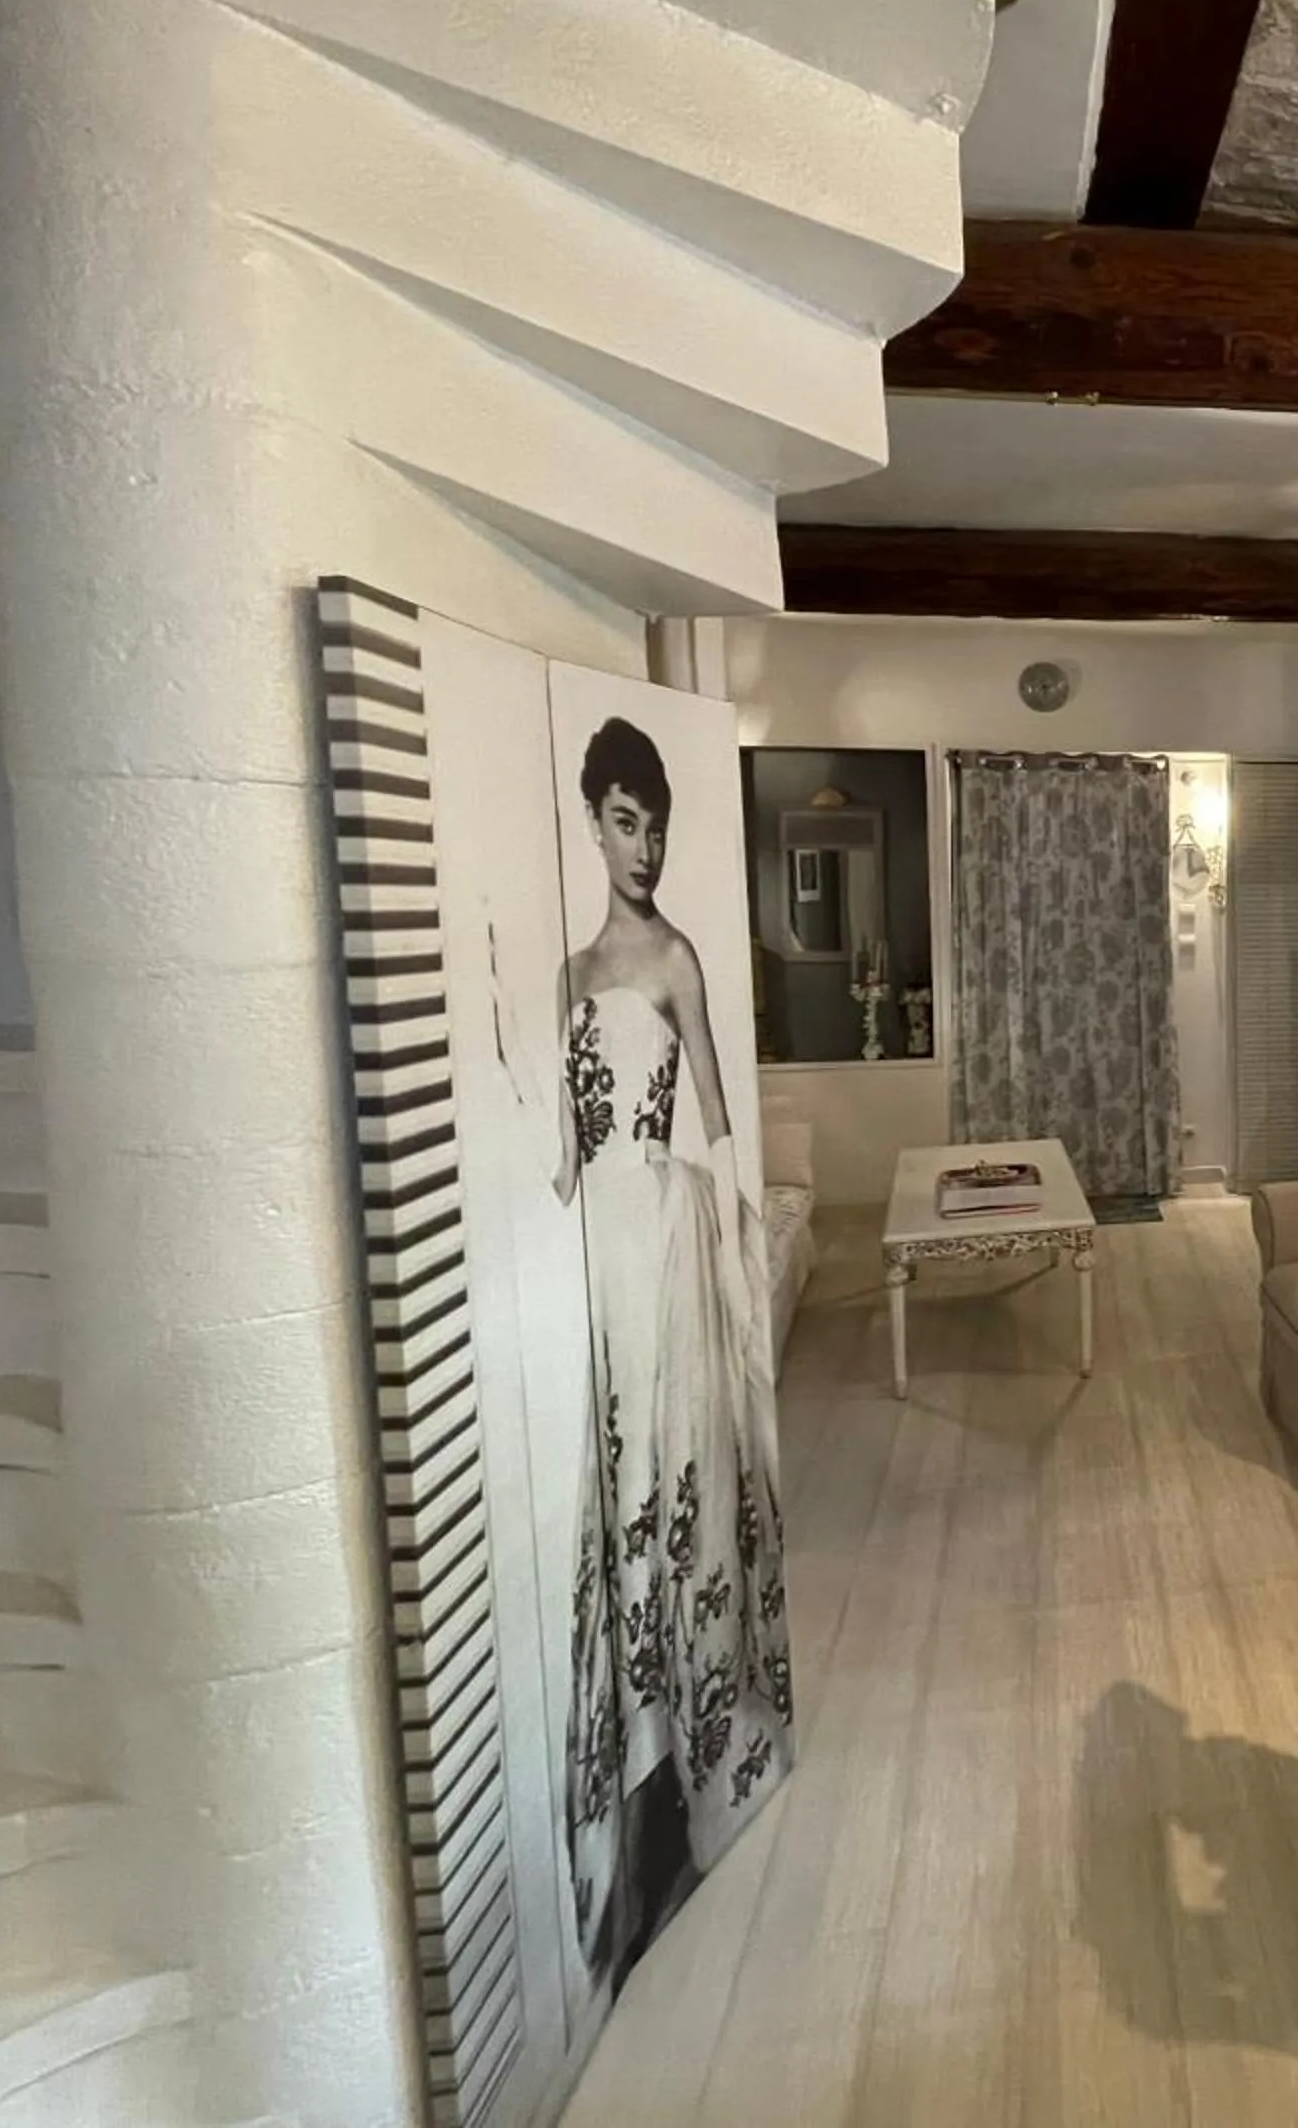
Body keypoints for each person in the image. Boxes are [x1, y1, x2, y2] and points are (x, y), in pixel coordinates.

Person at [552, 713, 792, 1986]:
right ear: (594, 822)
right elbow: (558, 1147)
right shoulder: (567, 977)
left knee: (673, 1479)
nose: (645, 843)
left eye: (658, 821)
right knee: (612, 1492)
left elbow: (716, 1121)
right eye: (626, 819)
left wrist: (742, 1260)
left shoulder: (680, 958)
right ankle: (631, 1782)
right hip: (595, 1250)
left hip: (665, 1236)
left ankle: (689, 1766)